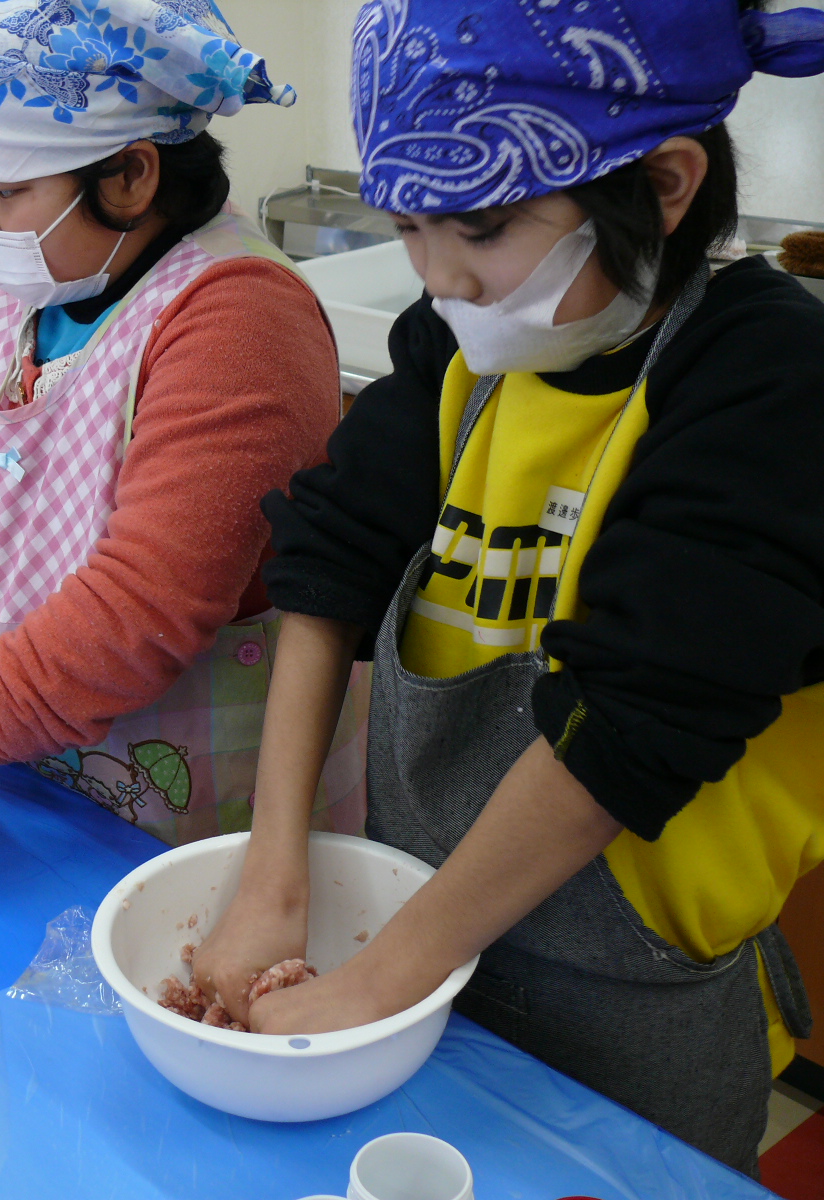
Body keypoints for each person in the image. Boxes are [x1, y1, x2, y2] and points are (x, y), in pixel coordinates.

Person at [193, 0, 824, 1175]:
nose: (439, 278)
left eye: (479, 230)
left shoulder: (768, 381)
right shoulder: (461, 347)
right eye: (409, 230)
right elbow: (325, 571)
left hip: (630, 1009)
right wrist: (273, 869)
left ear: (668, 183)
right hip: (415, 936)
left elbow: (628, 723)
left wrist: (380, 979)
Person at [0, 0, 353, 845]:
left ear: (129, 177)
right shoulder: (11, 304)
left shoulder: (240, 320)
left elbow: (145, 605)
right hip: (20, 777)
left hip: (187, 826)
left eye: (7, 190)